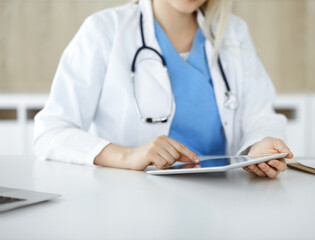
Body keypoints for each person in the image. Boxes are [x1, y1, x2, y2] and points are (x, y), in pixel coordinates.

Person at [33, 0, 294, 178]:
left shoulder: (233, 32)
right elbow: (51, 132)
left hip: (226, 197)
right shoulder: (104, 30)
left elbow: (259, 114)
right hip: (134, 204)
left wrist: (259, 146)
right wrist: (129, 156)